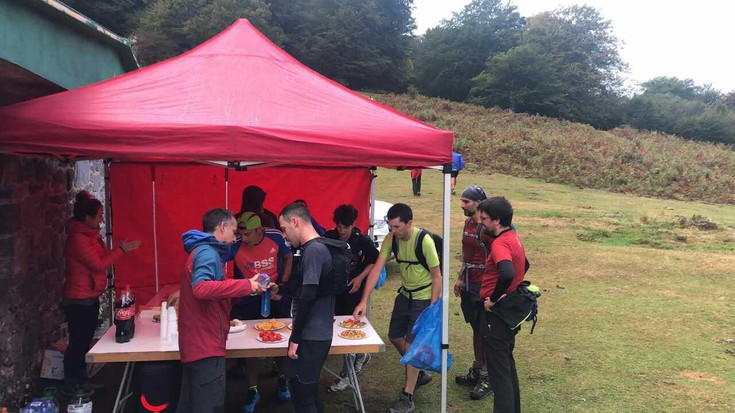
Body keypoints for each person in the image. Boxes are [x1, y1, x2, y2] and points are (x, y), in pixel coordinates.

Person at [176, 208, 271, 413]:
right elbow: (201, 289)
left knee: (190, 405)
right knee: (208, 406)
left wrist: (247, 289)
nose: (235, 237)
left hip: (198, 341)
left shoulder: (205, 251)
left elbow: (216, 289)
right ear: (222, 227)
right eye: (234, 231)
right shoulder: (207, 252)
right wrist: (245, 285)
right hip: (205, 344)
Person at [353, 203, 441, 413]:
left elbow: (437, 276)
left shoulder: (424, 241)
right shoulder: (391, 239)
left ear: (409, 223)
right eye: (390, 227)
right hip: (405, 295)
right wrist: (363, 300)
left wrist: (432, 307)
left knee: (411, 347)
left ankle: (407, 397)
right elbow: (376, 269)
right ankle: (418, 371)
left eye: (397, 227)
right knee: (394, 337)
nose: (393, 231)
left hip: (423, 297)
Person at [62, 191, 141, 395]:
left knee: (83, 340)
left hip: (88, 297)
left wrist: (120, 249)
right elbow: (98, 265)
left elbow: (101, 259)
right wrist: (121, 250)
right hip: (78, 299)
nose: (102, 219)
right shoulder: (78, 239)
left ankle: (82, 380)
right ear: (87, 218)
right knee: (77, 343)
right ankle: (71, 384)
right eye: (99, 216)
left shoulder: (91, 237)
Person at [229, 212, 294, 411]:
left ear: (259, 230)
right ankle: (253, 388)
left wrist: (282, 283)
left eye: (248, 234)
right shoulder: (235, 243)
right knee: (250, 344)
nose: (244, 238)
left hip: (274, 294)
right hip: (249, 298)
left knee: (282, 339)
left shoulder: (274, 235)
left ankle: (282, 378)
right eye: (241, 234)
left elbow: (288, 256)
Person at [279, 202, 336, 413]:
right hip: (314, 332)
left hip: (312, 335)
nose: (284, 236)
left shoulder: (314, 250)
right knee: (305, 392)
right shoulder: (313, 248)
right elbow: (307, 291)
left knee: (303, 397)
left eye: (284, 229)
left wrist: (295, 338)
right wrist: (280, 290)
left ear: (295, 221)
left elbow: (309, 296)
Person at [478, 197, 527, 413]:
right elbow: (525, 264)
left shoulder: (500, 243)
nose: (481, 223)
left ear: (496, 221)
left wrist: (495, 298)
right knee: (506, 366)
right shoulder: (513, 236)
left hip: (497, 315)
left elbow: (507, 272)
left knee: (499, 376)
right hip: (508, 313)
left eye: (485, 219)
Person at [324, 204, 379, 392]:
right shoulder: (329, 237)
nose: (341, 231)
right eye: (338, 226)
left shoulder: (361, 241)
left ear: (352, 224)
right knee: (338, 328)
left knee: (351, 329)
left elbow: (375, 261)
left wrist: (359, 277)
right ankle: (360, 355)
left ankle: (347, 375)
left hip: (354, 291)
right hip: (335, 290)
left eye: (344, 227)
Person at [453, 185, 493, 400]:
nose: (462, 205)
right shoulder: (468, 223)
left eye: (466, 201)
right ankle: (478, 368)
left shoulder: (487, 228)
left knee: (485, 331)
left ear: (478, 203)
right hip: (468, 286)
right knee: (476, 329)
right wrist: (460, 277)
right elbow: (465, 254)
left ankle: (488, 376)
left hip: (483, 288)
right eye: (462, 200)